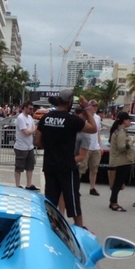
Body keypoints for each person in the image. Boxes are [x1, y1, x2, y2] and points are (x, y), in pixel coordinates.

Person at [34, 89, 97, 227]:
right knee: (72, 198)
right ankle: (79, 227)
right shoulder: (71, 120)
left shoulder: (46, 118)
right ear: (69, 103)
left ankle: (51, 226)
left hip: (50, 165)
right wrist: (86, 108)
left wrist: (51, 148)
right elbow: (93, 128)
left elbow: (37, 141)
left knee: (51, 199)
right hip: (67, 166)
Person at [108, 112, 135, 212]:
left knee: (118, 183)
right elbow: (121, 147)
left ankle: (112, 201)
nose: (130, 121)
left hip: (121, 161)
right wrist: (132, 141)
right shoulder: (120, 132)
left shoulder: (120, 131)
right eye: (128, 119)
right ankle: (114, 203)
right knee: (118, 183)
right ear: (124, 120)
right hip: (121, 161)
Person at [78, 99, 103, 196]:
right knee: (82, 167)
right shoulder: (85, 116)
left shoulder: (97, 118)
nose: (95, 108)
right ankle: (77, 187)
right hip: (85, 146)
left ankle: (92, 187)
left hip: (95, 146)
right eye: (93, 106)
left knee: (94, 168)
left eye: (96, 106)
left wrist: (100, 146)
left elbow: (98, 132)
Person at [13, 101, 39, 190]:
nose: (31, 110)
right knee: (19, 167)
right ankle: (17, 185)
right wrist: (34, 129)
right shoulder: (21, 118)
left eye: (32, 109)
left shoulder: (30, 118)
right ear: (24, 108)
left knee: (30, 166)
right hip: (21, 146)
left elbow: (31, 128)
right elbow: (26, 132)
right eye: (30, 108)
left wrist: (33, 129)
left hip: (29, 146)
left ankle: (29, 184)